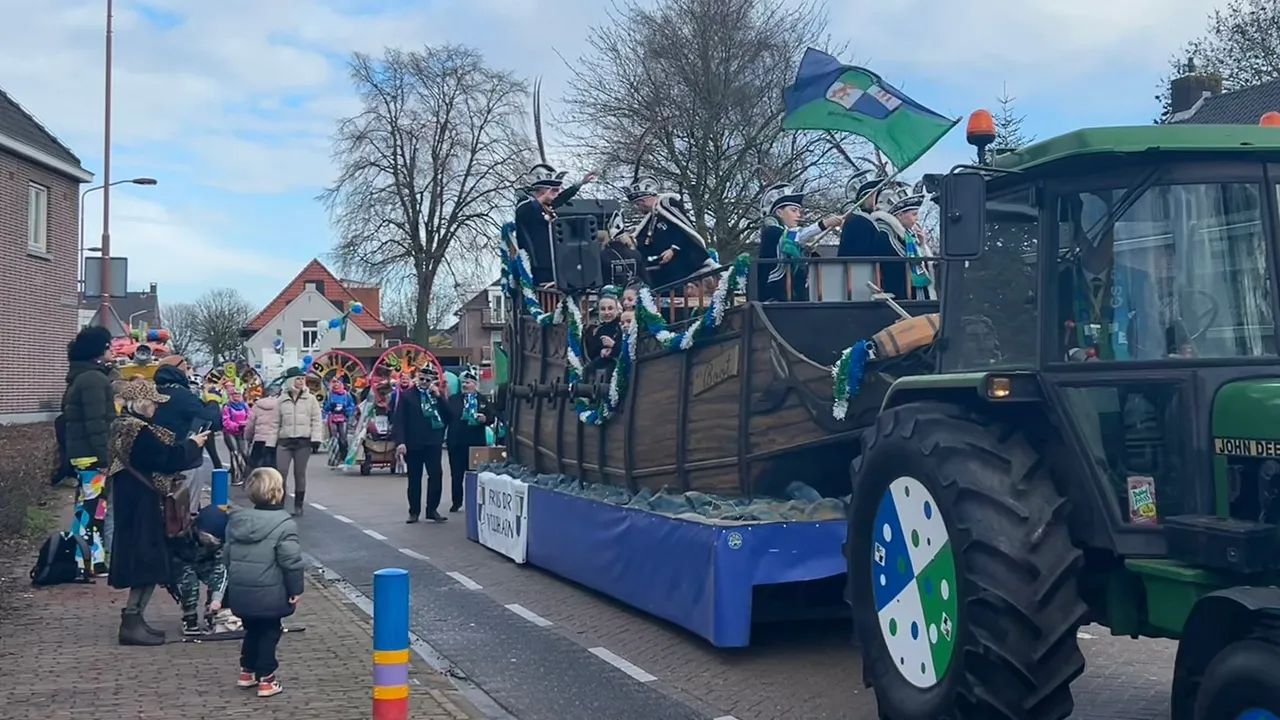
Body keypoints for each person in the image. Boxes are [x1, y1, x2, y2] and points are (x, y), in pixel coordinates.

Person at [107, 379, 208, 646]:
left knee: (145, 564)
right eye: (152, 403)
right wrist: (192, 444)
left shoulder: (122, 426)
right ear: (141, 404)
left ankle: (135, 619)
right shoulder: (138, 431)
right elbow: (166, 459)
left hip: (132, 502)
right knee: (147, 564)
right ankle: (132, 621)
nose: (155, 408)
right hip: (143, 505)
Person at [225, 467, 304, 698]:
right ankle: (267, 678)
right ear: (279, 491)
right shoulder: (284, 524)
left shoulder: (237, 521)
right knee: (270, 632)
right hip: (271, 592)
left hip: (241, 590)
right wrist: (295, 589)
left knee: (251, 629)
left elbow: (227, 556)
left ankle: (247, 671)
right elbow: (291, 562)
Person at [62, 326, 119, 574]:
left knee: (88, 506)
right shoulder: (94, 380)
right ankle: (88, 560)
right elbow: (96, 423)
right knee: (93, 509)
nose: (112, 350)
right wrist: (105, 457)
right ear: (98, 350)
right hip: (93, 456)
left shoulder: (81, 377)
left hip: (83, 454)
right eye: (108, 346)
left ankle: (85, 558)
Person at [756, 182, 843, 302]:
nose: (798, 215)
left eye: (799, 211)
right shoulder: (772, 232)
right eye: (794, 210)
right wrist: (825, 223)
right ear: (779, 212)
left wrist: (807, 251)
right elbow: (796, 235)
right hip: (773, 298)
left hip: (792, 297)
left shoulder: (786, 235)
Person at [514, 163, 595, 286]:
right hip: (538, 265)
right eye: (553, 190)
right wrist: (542, 198)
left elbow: (562, 197)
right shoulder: (525, 202)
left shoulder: (546, 206)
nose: (556, 193)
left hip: (553, 262)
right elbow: (524, 211)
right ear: (542, 190)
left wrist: (581, 183)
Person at [629, 175, 715, 290]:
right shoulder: (652, 217)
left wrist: (673, 249)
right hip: (664, 269)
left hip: (683, 264)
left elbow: (684, 230)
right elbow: (646, 241)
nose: (638, 207)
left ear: (644, 200)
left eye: (638, 203)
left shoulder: (668, 205)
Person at [392, 366, 455, 523]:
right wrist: (400, 442)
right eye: (422, 379)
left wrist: (440, 397)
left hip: (433, 442)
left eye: (428, 380)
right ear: (417, 379)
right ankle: (414, 511)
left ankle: (432, 509)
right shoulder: (408, 396)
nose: (424, 382)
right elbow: (399, 420)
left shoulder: (436, 396)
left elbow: (450, 416)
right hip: (414, 442)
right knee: (414, 478)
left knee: (436, 475)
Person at [871, 187, 937, 300]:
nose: (917, 218)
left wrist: (921, 244)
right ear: (900, 215)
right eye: (914, 214)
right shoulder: (885, 233)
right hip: (899, 293)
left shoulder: (908, 234)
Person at [173, 504, 229, 636]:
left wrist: (217, 598)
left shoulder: (220, 542)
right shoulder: (183, 535)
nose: (210, 542)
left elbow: (221, 566)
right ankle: (189, 616)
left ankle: (212, 611)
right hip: (182, 562)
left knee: (223, 578)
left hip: (204, 563)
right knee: (189, 583)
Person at [444, 368, 495, 513]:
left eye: (468, 383)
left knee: (475, 475)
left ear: (475, 384)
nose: (465, 385)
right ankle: (456, 501)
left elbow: (491, 417)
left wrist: (485, 419)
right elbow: (446, 416)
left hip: (475, 443)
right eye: (463, 383)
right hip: (457, 442)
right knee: (456, 475)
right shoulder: (454, 399)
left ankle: (474, 501)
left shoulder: (482, 400)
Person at [275, 367, 324, 516]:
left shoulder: (311, 399)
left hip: (303, 441)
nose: (301, 381)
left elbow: (316, 420)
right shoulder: (281, 399)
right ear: (291, 381)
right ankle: (280, 504)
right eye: (298, 378)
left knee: (299, 473)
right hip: (284, 441)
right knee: (281, 473)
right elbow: (275, 422)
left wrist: (316, 439)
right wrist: (270, 443)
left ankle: (298, 505)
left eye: (303, 378)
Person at [599, 211, 650, 288]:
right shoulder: (636, 254)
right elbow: (646, 279)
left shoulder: (602, 256)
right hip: (632, 292)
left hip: (610, 293)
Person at [586, 290, 623, 374]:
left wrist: (613, 345)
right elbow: (592, 352)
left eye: (610, 308)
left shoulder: (622, 325)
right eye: (603, 309)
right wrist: (601, 351)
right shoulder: (598, 330)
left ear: (617, 310)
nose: (607, 312)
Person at [246, 385, 280, 470]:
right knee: (273, 466)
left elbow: (250, 424)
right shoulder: (280, 405)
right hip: (274, 440)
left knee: (255, 466)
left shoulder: (257, 405)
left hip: (259, 440)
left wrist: (248, 437)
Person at [323, 377, 356, 462]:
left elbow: (352, 406)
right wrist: (331, 406)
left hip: (343, 418)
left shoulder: (346, 394)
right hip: (332, 418)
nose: (336, 384)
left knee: (343, 438)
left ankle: (344, 456)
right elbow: (325, 407)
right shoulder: (329, 394)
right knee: (333, 438)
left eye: (337, 382)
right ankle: (334, 457)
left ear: (341, 384)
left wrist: (345, 409)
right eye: (334, 382)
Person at [221, 388, 251, 479]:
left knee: (244, 452)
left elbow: (250, 417)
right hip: (230, 433)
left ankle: (246, 473)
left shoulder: (245, 406)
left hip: (242, 432)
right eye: (234, 395)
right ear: (231, 396)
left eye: (238, 395)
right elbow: (226, 421)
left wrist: (245, 424)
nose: (237, 396)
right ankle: (236, 475)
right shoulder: (227, 407)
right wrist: (237, 426)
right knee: (235, 453)